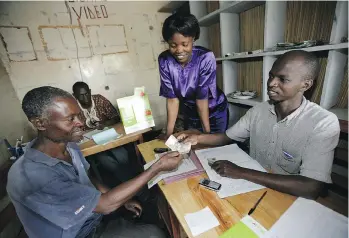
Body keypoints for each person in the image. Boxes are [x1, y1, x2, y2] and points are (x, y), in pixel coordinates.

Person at [7, 86, 183, 238]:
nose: (81, 123)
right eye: (70, 119)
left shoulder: (69, 145)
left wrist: (122, 201)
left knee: (150, 209)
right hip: (79, 233)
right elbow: (105, 205)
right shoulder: (33, 177)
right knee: (154, 234)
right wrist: (157, 168)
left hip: (92, 216)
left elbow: (89, 176)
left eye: (79, 116)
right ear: (40, 123)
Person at [177, 50, 340, 199]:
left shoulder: (323, 123)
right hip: (250, 186)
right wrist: (197, 138)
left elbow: (311, 187)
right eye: (271, 76)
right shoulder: (259, 111)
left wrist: (240, 172)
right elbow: (226, 137)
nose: (271, 83)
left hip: (289, 196)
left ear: (306, 85)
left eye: (283, 79)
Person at [158, 13, 228, 138]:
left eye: (185, 44)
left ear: (193, 39)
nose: (179, 50)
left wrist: (206, 136)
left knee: (214, 147)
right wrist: (168, 135)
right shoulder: (164, 60)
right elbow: (172, 99)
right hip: (190, 113)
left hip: (214, 110)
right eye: (173, 45)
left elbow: (202, 99)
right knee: (190, 147)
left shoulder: (205, 57)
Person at [72, 82, 138, 187]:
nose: (85, 97)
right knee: (106, 161)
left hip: (109, 135)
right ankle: (132, 185)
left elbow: (116, 117)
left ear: (89, 91)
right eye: (81, 95)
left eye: (86, 94)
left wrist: (105, 123)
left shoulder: (99, 100)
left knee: (122, 157)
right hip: (91, 142)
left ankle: (129, 184)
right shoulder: (73, 108)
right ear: (75, 96)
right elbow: (73, 129)